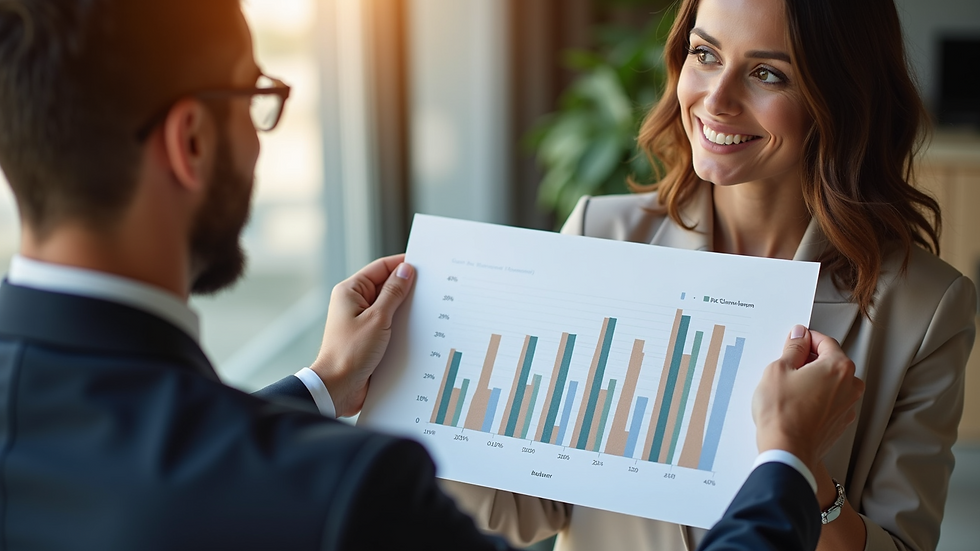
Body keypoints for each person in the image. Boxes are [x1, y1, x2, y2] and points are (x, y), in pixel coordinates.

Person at [0, 1, 868, 550]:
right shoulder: (347, 494)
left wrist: (321, 384)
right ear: (191, 141)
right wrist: (786, 465)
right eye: (253, 96)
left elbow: (164, 462)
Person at [442, 0, 978, 549]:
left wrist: (798, 469)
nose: (716, 101)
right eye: (705, 54)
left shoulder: (926, 308)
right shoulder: (601, 233)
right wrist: (394, 386)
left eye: (767, 73)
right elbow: (526, 507)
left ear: (840, 97)